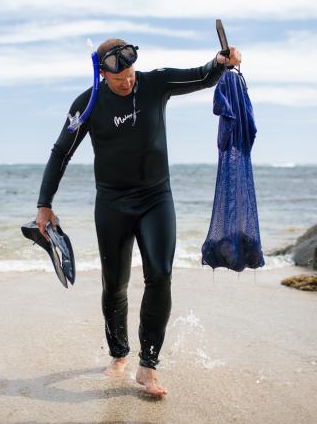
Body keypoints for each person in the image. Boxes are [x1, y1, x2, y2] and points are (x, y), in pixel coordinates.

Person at [34, 38, 242, 397]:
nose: (127, 82)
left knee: (159, 275)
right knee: (114, 284)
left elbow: (202, 76)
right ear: (102, 74)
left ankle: (148, 365)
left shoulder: (155, 83)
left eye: (130, 73)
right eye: (118, 79)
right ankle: (118, 354)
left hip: (155, 198)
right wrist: (44, 203)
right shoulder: (88, 103)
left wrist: (222, 62)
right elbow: (60, 152)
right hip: (112, 204)